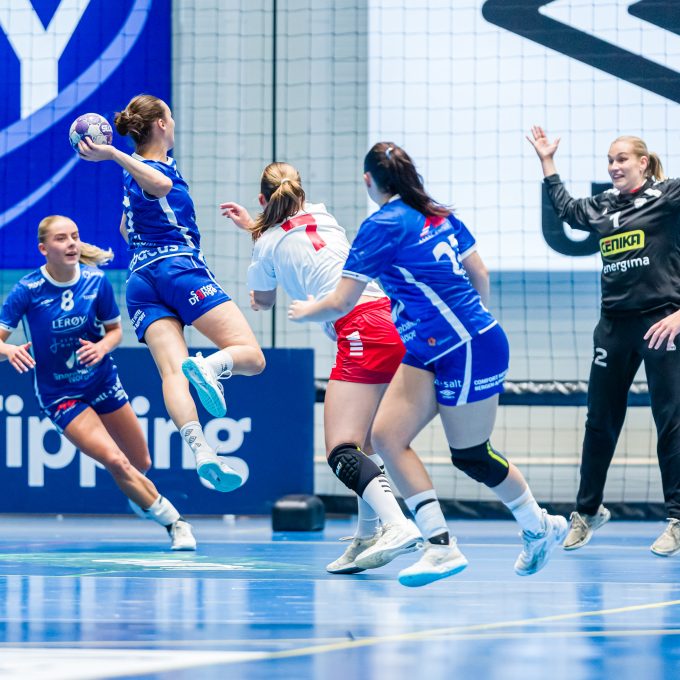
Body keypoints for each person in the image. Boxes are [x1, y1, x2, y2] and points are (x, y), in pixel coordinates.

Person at [289, 142, 567, 586]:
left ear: (368, 181)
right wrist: (468, 318)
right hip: (431, 345)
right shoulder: (438, 213)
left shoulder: (382, 225)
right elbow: (480, 275)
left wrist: (307, 310)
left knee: (471, 455)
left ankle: (540, 526)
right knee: (385, 436)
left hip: (466, 347)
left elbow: (340, 302)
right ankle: (440, 545)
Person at [220, 161, 421, 574]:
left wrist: (256, 241)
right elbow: (290, 231)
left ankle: (397, 525)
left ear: (262, 200)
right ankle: (368, 536)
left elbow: (263, 300)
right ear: (301, 192)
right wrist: (255, 226)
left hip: (360, 329)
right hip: (390, 321)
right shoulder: (323, 215)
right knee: (365, 445)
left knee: (341, 450)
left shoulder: (265, 244)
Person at [76, 94, 266, 493]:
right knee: (251, 357)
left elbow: (126, 229)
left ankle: (202, 453)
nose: (175, 123)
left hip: (141, 281)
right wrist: (113, 154)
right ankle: (211, 368)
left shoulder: (136, 176)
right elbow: (161, 185)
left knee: (173, 373)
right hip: (178, 268)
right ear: (161, 124)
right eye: (171, 117)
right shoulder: (151, 168)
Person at [0, 215, 196, 550]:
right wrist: (10, 350)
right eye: (61, 238)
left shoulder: (96, 281)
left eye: (75, 236)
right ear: (43, 249)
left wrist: (102, 347)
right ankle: (176, 522)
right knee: (115, 460)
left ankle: (141, 497)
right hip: (61, 394)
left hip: (101, 381)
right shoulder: (27, 290)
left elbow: (115, 331)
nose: (71, 244)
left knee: (140, 463)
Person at [528, 126, 680, 557]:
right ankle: (587, 511)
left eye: (622, 159)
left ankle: (678, 519)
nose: (614, 166)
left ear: (643, 163)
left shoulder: (668, 196)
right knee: (599, 422)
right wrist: (547, 161)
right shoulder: (604, 206)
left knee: (670, 420)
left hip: (661, 322)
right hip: (613, 326)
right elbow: (566, 208)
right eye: (610, 160)